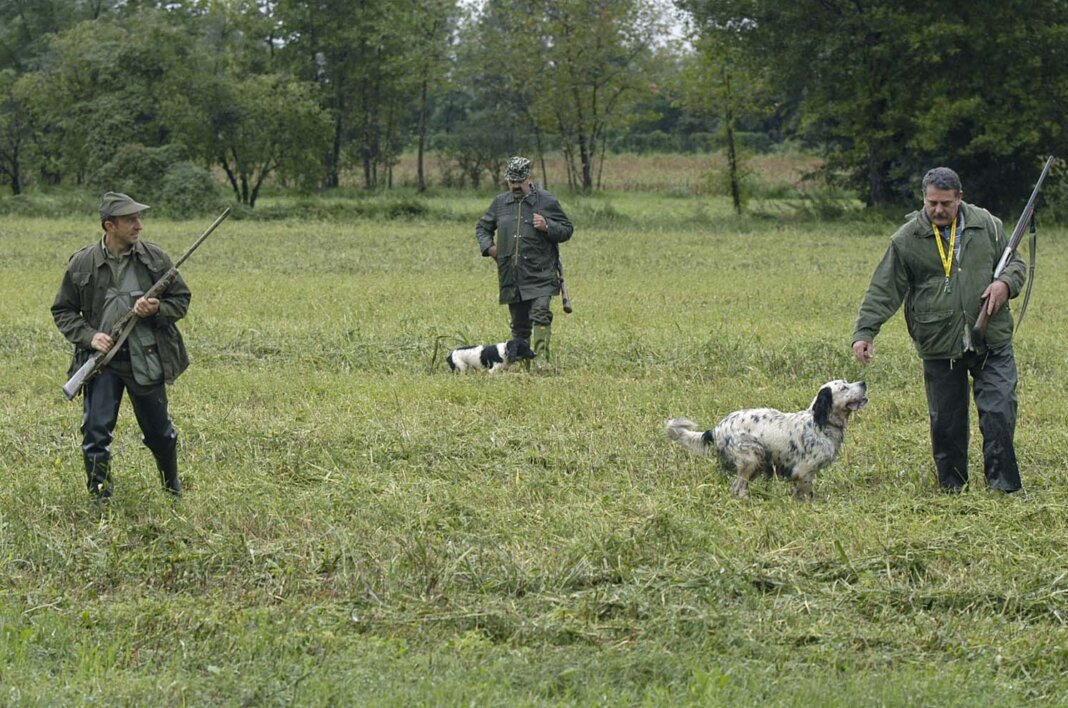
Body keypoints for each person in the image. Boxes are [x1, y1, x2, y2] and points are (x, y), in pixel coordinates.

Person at [852, 167, 1026, 493]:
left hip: (992, 339)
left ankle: (1004, 488)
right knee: (946, 422)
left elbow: (1016, 261)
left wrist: (1005, 283)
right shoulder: (907, 239)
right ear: (924, 199)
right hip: (939, 342)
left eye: (946, 203)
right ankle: (952, 489)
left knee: (999, 413)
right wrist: (864, 332)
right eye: (932, 203)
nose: (938, 210)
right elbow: (883, 289)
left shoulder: (987, 224)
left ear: (959, 198)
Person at [52, 192, 191, 500]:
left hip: (147, 359)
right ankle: (100, 500)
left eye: (139, 219)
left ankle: (172, 490)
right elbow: (62, 311)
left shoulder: (155, 259)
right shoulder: (82, 262)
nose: (139, 225)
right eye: (131, 220)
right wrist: (90, 337)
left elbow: (181, 300)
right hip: (103, 363)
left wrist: (155, 310)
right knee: (95, 434)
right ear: (109, 226)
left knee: (160, 434)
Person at [476, 156, 573, 362]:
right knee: (519, 325)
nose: (515, 186)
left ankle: (541, 360)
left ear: (528, 178)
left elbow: (567, 230)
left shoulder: (547, 201)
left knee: (540, 313)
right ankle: (520, 361)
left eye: (519, 181)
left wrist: (547, 226)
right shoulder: (500, 203)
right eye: (512, 182)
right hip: (512, 274)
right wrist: (491, 249)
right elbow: (482, 228)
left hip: (541, 274)